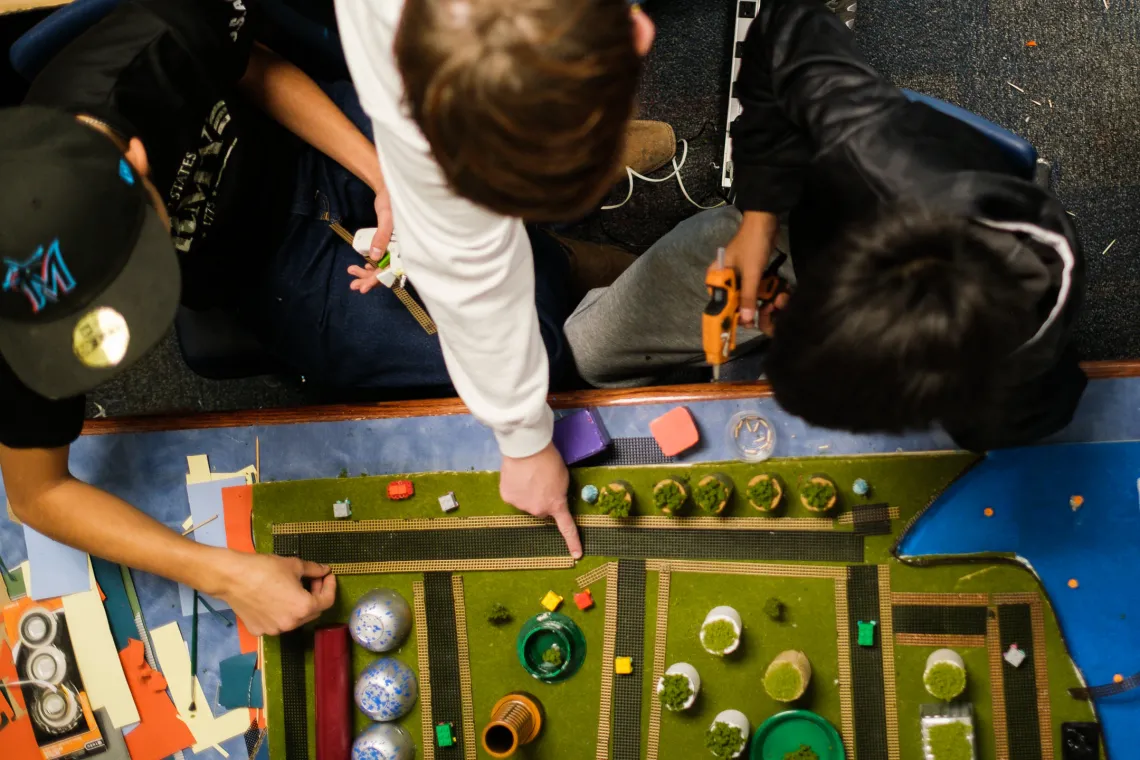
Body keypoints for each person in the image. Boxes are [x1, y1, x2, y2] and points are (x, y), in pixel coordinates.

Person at [565, 0, 1086, 451]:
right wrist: (761, 215)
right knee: (588, 352)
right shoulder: (870, 149)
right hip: (799, 222)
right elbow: (781, 27)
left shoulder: (1009, 385)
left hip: (839, 265)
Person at [334, 0, 663, 556]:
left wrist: (526, 441)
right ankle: (560, 245)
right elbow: (467, 272)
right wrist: (524, 439)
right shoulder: (399, 81)